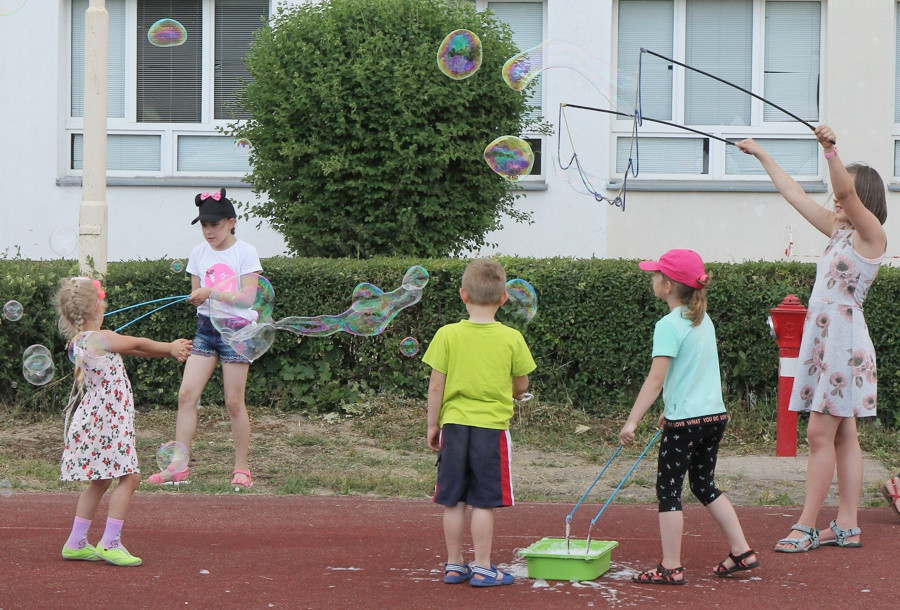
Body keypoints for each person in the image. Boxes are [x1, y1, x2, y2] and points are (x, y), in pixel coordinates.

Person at [737, 126, 887, 552]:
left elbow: (847, 193)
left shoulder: (870, 235)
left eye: (846, 192)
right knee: (843, 436)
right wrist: (762, 153)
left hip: (844, 345)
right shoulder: (838, 233)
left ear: (864, 199)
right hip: (828, 343)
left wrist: (831, 150)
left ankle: (805, 525)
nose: (836, 197)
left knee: (819, 435)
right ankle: (847, 526)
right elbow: (796, 195)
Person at [619, 249, 758, 585]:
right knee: (703, 483)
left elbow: (656, 379)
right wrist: (673, 407)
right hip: (713, 417)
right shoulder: (701, 318)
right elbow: (693, 373)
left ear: (667, 286)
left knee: (668, 489)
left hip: (686, 423)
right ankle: (742, 551)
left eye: (655, 275)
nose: (651, 279)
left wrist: (632, 420)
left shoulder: (668, 325)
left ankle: (671, 566)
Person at [57, 276, 192, 566]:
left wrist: (165, 350)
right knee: (130, 476)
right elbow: (140, 343)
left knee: (101, 480)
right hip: (107, 420)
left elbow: (129, 347)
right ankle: (110, 542)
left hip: (96, 419)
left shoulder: (83, 340)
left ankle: (76, 542)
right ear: (97, 307)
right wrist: (169, 347)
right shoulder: (101, 338)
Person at [423, 258, 536, 587]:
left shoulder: (447, 334)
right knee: (484, 500)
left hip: (454, 426)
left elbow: (435, 385)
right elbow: (522, 383)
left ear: (463, 295)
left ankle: (455, 564)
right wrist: (514, 393)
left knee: (453, 499)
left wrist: (434, 425)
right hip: (491, 429)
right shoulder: (512, 338)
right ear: (503, 298)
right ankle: (484, 567)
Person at [148, 188, 263, 490]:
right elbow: (198, 297)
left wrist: (211, 292)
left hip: (237, 330)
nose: (208, 231)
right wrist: (198, 298)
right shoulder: (198, 253)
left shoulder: (245, 252)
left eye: (214, 224)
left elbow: (248, 299)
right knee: (186, 396)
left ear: (231, 222)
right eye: (204, 225)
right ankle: (178, 466)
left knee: (233, 401)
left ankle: (241, 467)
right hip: (206, 330)